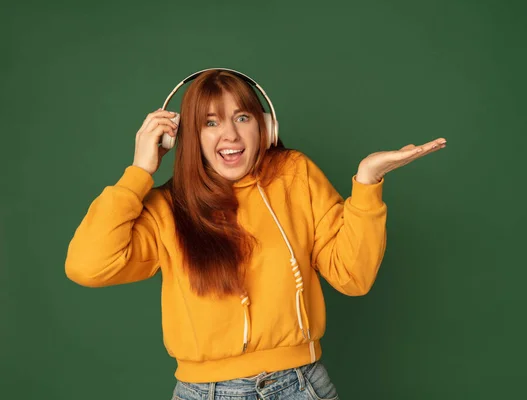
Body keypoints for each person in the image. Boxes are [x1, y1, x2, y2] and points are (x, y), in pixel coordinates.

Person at [65, 69, 446, 400]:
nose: (229, 134)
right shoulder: (166, 208)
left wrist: (367, 182)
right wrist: (139, 172)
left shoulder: (295, 175)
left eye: (242, 117)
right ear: (187, 136)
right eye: (210, 122)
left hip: (302, 384)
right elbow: (88, 266)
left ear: (265, 126)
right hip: (204, 392)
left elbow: (354, 276)